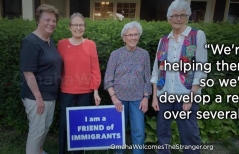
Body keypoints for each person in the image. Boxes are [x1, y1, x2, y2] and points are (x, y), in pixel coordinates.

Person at [150, 0, 208, 154]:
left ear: (188, 16)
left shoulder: (197, 36)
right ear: (169, 19)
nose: (178, 18)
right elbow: (156, 70)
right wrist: (155, 97)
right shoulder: (163, 40)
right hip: (164, 94)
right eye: (174, 15)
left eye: (182, 15)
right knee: (162, 134)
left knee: (189, 134)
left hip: (186, 93)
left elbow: (201, 70)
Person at [104, 21, 151, 154]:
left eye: (136, 34)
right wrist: (114, 98)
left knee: (139, 132)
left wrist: (146, 97)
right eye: (130, 35)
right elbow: (108, 79)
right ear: (124, 37)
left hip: (138, 100)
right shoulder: (116, 54)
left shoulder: (144, 54)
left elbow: (148, 78)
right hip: (119, 100)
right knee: (118, 133)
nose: (133, 37)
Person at [57, 12, 101, 154]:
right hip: (67, 91)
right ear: (70, 27)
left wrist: (95, 90)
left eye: (81, 25)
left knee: (82, 125)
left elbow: (95, 69)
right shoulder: (62, 44)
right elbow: (57, 68)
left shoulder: (90, 44)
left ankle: (78, 152)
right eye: (75, 25)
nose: (78, 28)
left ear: (85, 27)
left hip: (85, 91)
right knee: (65, 124)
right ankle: (62, 151)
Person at [20, 4, 61, 154]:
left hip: (50, 95)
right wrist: (38, 98)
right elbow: (28, 72)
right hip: (36, 96)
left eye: (54, 20)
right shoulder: (31, 41)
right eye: (47, 20)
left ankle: (40, 151)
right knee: (36, 131)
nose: (51, 23)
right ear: (38, 20)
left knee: (44, 128)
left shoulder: (49, 41)